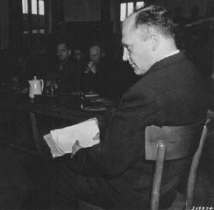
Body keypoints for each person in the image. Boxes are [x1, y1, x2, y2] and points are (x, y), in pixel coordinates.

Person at [52, 5, 208, 210]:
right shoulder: (194, 75)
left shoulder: (145, 91)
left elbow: (108, 164)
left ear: (153, 42)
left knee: (57, 168)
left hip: (133, 195)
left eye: (129, 47)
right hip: (167, 187)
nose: (125, 57)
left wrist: (75, 149)